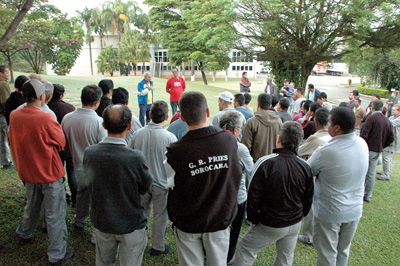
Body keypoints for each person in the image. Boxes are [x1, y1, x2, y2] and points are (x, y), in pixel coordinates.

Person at [165, 91, 242, 266]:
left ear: (182, 118)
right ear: (207, 112)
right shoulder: (228, 140)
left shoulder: (175, 151)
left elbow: (171, 184)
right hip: (218, 219)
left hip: (189, 221)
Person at [9, 79, 74, 265]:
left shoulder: (15, 115)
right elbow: (60, 142)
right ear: (41, 96)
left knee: (32, 204)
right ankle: (57, 254)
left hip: (28, 170)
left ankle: (24, 233)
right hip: (49, 172)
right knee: (55, 214)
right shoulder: (46, 117)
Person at [235, 121, 313, 266]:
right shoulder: (305, 166)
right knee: (285, 258)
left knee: (246, 250)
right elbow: (308, 198)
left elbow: (253, 193)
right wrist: (299, 215)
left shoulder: (265, 162)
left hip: (270, 223)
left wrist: (253, 218)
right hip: (294, 222)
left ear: (279, 139)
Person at [83, 104, 153, 266]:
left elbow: (88, 182)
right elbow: (145, 186)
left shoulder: (90, 153)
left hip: (103, 220)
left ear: (104, 125)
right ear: (129, 126)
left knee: (104, 261)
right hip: (131, 222)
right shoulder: (135, 157)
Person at [307, 107, 369, 266]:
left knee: (327, 253)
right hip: (354, 209)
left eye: (329, 123)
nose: (327, 126)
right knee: (343, 251)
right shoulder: (362, 143)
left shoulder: (326, 151)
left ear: (337, 128)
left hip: (331, 212)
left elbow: (307, 171)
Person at [129, 101, 177, 256]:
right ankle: (157, 246)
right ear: (167, 117)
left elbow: (130, 154)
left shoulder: (138, 133)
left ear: (149, 114)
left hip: (142, 182)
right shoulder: (169, 137)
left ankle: (140, 243)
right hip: (161, 183)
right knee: (161, 216)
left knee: (142, 213)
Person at [61, 85, 107, 229]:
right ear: (97, 102)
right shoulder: (99, 123)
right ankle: (95, 231)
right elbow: (103, 147)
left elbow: (65, 143)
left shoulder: (67, 118)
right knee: (96, 199)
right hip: (95, 168)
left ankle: (79, 220)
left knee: (82, 194)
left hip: (77, 164)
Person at [219, 111, 254, 265]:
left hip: (217, 196)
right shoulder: (240, 149)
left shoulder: (213, 143)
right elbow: (251, 170)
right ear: (235, 130)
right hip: (237, 198)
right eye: (240, 128)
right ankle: (227, 257)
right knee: (233, 232)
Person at [297, 108, 331, 246]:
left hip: (316, 174)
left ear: (316, 120)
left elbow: (299, 151)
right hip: (329, 177)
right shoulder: (332, 136)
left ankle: (308, 235)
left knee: (311, 205)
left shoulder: (316, 138)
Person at [47, 84, 77, 207]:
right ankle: (76, 199)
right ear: (61, 95)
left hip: (53, 147)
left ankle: (62, 196)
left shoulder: (46, 108)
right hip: (67, 146)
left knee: (58, 173)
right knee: (71, 172)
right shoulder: (69, 108)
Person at [360, 100, 394, 202]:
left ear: (373, 108)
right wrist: (382, 145)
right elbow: (391, 138)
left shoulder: (371, 118)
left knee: (364, 172)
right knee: (371, 173)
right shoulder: (386, 120)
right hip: (377, 149)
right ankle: (368, 195)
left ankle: (362, 193)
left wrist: (363, 145)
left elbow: (364, 134)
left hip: (369, 149)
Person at [241, 93, 282, 162]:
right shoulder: (278, 121)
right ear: (270, 105)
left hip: (257, 163)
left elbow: (245, 147)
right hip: (274, 162)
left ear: (258, 104)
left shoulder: (252, 122)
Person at [380, 104, 400, 181]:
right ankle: (385, 171)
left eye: (394, 110)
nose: (392, 111)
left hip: (392, 141)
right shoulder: (392, 117)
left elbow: (388, 125)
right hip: (389, 140)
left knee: (386, 157)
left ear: (399, 111)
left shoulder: (398, 119)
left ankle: (386, 175)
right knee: (387, 157)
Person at [0, 65, 13, 169]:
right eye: (7, 72)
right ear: (1, 73)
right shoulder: (3, 84)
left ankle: (4, 161)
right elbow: (6, 101)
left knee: (2, 139)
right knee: (9, 137)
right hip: (3, 115)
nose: (8, 74)